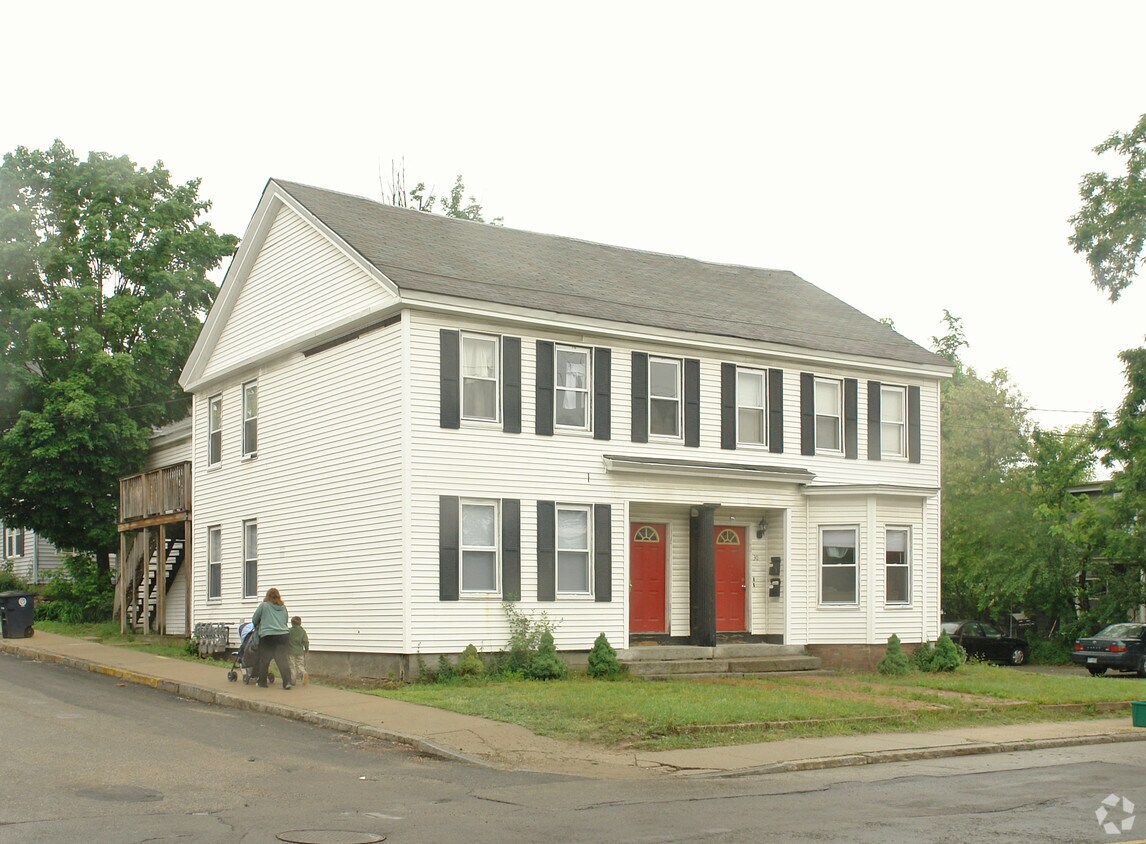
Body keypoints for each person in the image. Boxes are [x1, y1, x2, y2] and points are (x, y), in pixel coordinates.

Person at [251, 587, 293, 689]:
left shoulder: (263, 606)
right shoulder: (283, 607)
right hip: (283, 635)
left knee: (264, 660)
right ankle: (287, 682)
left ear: (267, 596)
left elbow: (254, 619)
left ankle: (262, 682)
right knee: (282, 660)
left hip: (268, 636)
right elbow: (285, 620)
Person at [288, 615, 310, 686]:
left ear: (292, 623)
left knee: (292, 665)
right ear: (300, 623)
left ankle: (293, 680)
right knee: (300, 665)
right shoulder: (302, 632)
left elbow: (286, 640)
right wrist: (306, 649)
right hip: (300, 651)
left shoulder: (289, 631)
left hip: (291, 651)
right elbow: (305, 641)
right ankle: (303, 673)